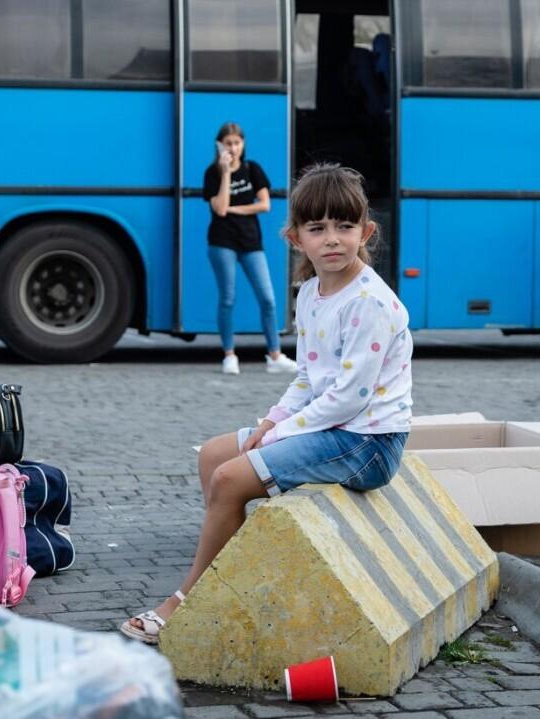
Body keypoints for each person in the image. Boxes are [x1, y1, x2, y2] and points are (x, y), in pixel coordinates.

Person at [121, 164, 413, 644]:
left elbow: (345, 399)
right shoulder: (312, 292)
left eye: (345, 226)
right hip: (335, 429)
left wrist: (274, 437)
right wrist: (270, 421)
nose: (333, 239)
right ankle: (228, 570)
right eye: (317, 228)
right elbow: (307, 376)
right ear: (296, 238)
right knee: (216, 454)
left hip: (369, 443)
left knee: (230, 476)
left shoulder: (369, 303)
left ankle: (186, 600)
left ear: (367, 231)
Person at [203, 122, 297, 376]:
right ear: (220, 145)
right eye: (228, 143)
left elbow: (264, 205)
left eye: (237, 143)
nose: (233, 148)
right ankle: (229, 355)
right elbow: (220, 208)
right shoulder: (212, 173)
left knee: (267, 298)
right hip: (222, 242)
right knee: (227, 298)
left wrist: (234, 209)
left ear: (243, 144)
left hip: (250, 242)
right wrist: (225, 173)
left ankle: (275, 355)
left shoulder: (252, 169)